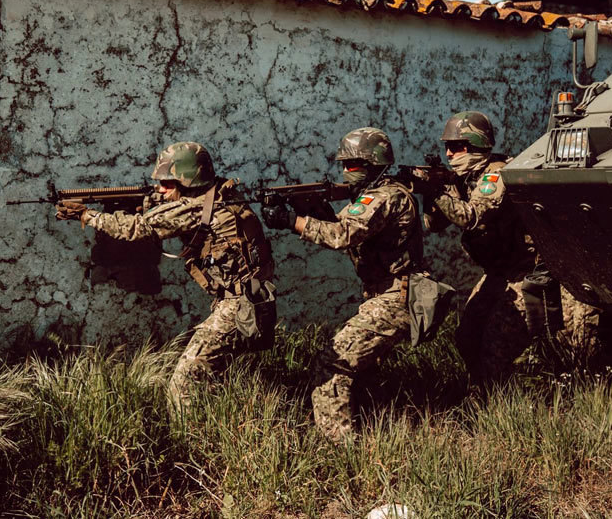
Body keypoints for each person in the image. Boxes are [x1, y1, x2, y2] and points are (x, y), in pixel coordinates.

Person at [55, 141, 276, 409]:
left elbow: (138, 228)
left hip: (238, 308)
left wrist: (88, 215)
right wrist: (149, 202)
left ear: (188, 181)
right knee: (211, 378)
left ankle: (191, 440)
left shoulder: (197, 209)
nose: (161, 189)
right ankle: (221, 425)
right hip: (250, 303)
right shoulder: (221, 194)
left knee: (183, 383)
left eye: (168, 184)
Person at [261, 127, 425, 443]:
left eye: (354, 165)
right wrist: (312, 208)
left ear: (374, 164)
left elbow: (341, 235)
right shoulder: (370, 195)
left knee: (330, 364)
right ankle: (377, 425)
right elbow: (341, 224)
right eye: (345, 165)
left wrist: (290, 220)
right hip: (387, 295)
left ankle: (341, 446)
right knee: (359, 369)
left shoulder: (384, 197)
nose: (347, 172)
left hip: (396, 297)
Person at [420, 111, 562, 385]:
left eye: (456, 147)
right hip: (498, 274)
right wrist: (432, 192)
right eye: (446, 147)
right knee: (467, 336)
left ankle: (499, 403)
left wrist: (437, 190)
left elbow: (470, 217)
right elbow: (433, 225)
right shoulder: (463, 179)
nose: (449, 154)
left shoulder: (496, 175)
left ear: (476, 145)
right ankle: (483, 392)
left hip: (524, 274)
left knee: (496, 344)